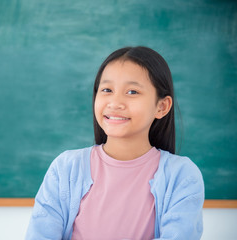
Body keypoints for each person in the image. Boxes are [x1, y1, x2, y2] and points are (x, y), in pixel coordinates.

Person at [25, 46, 204, 240]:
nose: (115, 102)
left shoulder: (182, 175)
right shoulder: (66, 168)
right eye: (107, 90)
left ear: (161, 107)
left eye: (132, 92)